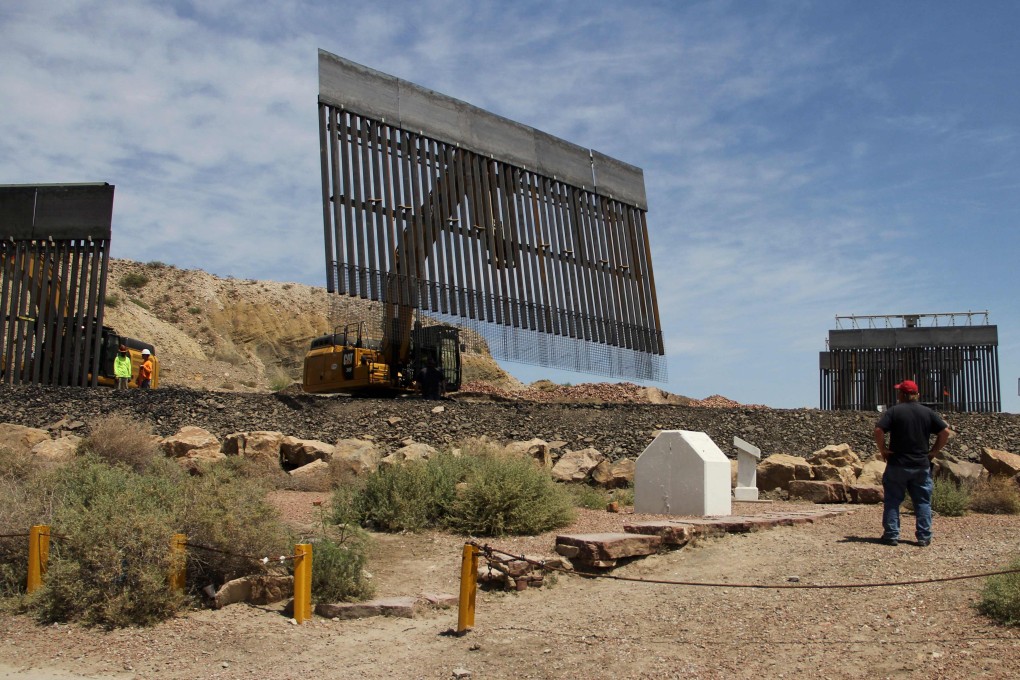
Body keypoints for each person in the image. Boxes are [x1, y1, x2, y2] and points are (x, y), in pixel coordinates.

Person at [873, 379, 950, 547]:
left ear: (901, 395)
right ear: (917, 395)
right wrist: (933, 452)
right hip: (921, 464)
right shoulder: (927, 413)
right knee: (922, 502)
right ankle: (924, 536)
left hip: (897, 463)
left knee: (893, 500)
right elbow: (945, 432)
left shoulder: (894, 412)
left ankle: (892, 534)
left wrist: (883, 449)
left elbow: (879, 430)